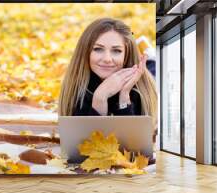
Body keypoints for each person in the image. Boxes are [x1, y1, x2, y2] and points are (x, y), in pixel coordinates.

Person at [58, 18, 158, 149]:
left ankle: (148, 55)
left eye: (116, 51)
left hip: (151, 71)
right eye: (98, 49)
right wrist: (100, 97)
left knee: (152, 66)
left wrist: (124, 96)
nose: (107, 59)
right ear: (86, 52)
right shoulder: (78, 89)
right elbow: (85, 150)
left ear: (126, 54)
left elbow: (133, 150)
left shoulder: (140, 90)